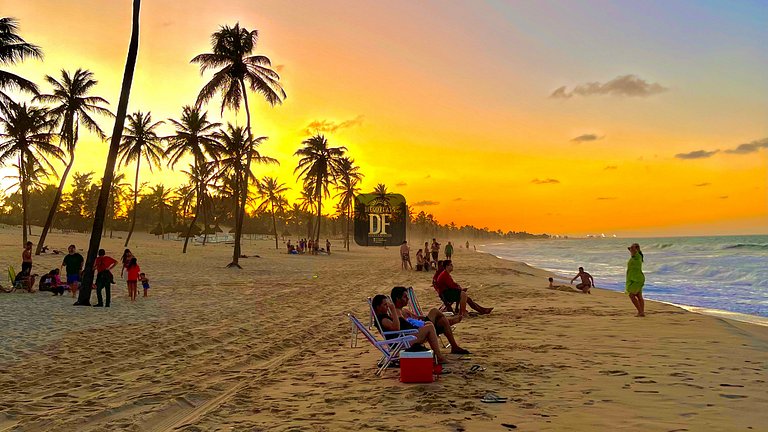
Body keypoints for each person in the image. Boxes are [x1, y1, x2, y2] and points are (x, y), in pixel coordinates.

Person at [390, 286, 470, 354]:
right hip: (417, 331)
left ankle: (454, 347)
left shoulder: (404, 310)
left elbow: (418, 317)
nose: (408, 299)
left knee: (442, 320)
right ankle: (450, 321)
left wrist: (424, 318)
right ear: (397, 298)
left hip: (420, 326)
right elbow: (406, 326)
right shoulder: (396, 313)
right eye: (405, 297)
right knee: (434, 311)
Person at [371, 294, 448, 364]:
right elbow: (396, 328)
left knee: (428, 324)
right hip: (399, 342)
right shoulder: (383, 319)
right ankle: (439, 356)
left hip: (402, 338)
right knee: (429, 328)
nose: (387, 307)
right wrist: (393, 310)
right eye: (385, 305)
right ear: (378, 307)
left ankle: (436, 355)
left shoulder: (383, 317)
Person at [626, 243, 646, 317]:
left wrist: (634, 247)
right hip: (635, 279)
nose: (631, 250)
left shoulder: (637, 256)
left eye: (632, 249)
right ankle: (641, 312)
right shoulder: (635, 257)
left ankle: (640, 311)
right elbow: (630, 249)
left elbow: (633, 249)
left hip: (637, 279)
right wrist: (631, 249)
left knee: (631, 295)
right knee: (638, 295)